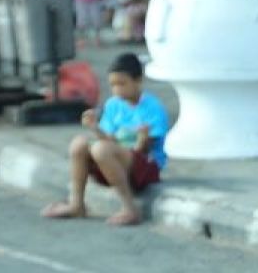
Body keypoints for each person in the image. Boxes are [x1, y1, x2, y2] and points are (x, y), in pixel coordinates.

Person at [41, 52, 170, 227]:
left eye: (122, 84)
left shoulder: (153, 108)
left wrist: (142, 139)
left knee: (100, 149)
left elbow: (143, 150)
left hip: (145, 166)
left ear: (138, 81)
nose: (117, 90)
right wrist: (95, 127)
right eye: (113, 85)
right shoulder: (113, 105)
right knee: (80, 143)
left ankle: (130, 208)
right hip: (115, 160)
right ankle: (76, 203)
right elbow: (110, 139)